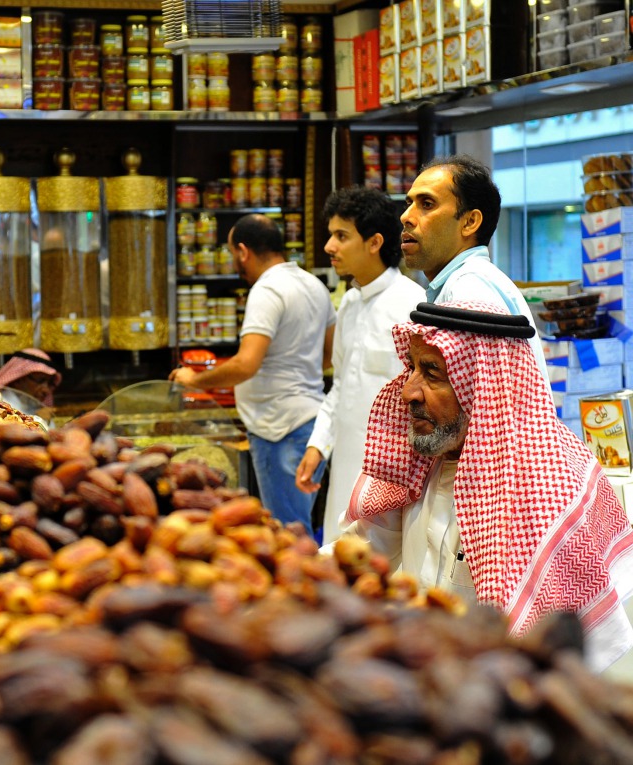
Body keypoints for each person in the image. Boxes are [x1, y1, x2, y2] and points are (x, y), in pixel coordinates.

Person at [341, 300, 633, 671]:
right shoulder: (421, 458)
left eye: (432, 373)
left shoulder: (546, 484)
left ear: (482, 387)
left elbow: (558, 658)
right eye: (411, 368)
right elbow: (359, 553)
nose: (408, 392)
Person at [171, 214, 336, 533]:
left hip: (279, 429)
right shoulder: (313, 285)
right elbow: (328, 356)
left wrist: (194, 380)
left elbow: (245, 364)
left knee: (287, 533)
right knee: (298, 525)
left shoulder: (267, 289)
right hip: (311, 422)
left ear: (243, 251)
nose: (236, 262)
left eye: (233, 254)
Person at [296, 187, 424, 544]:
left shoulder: (412, 304)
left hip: (393, 475)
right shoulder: (349, 303)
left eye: (341, 236)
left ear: (374, 242)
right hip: (347, 465)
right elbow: (340, 386)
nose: (329, 247)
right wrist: (318, 445)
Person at [400, 154, 548, 377]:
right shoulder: (464, 282)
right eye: (409, 203)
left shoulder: (470, 289)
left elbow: (481, 404)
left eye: (427, 204)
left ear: (469, 222)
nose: (406, 217)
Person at [0, 348, 61, 423]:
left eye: (50, 383)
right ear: (18, 380)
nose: (46, 390)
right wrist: (37, 421)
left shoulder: (37, 407)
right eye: (40, 381)